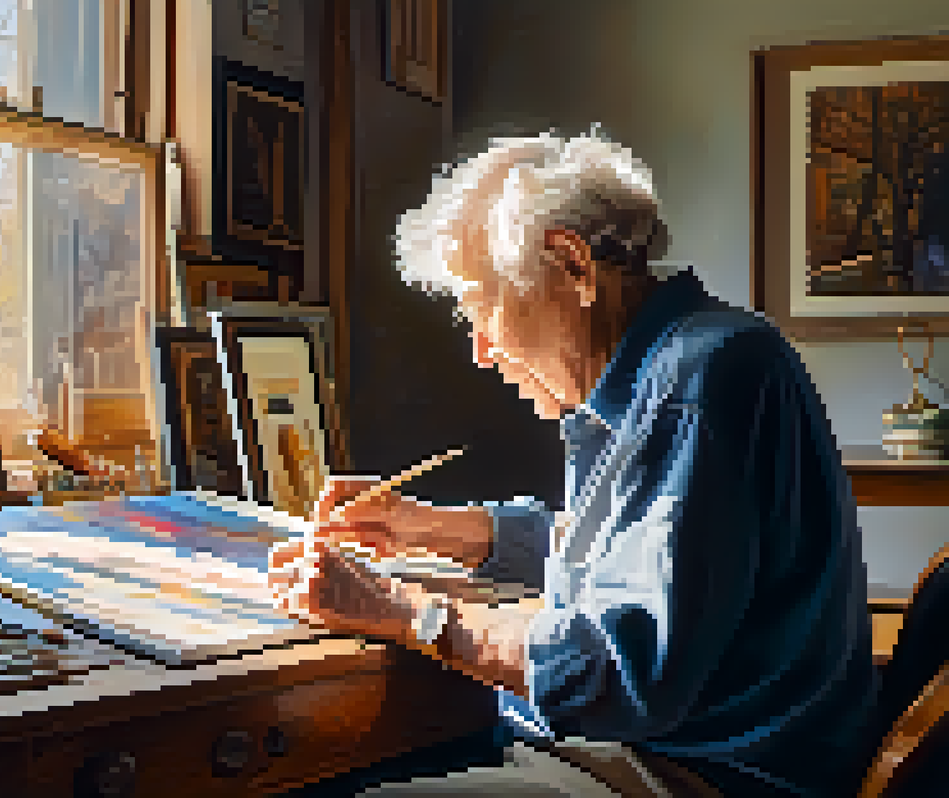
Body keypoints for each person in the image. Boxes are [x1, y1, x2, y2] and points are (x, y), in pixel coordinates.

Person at [271, 130, 877, 797]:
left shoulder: (693, 382)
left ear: (572, 265)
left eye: (480, 306)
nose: (480, 350)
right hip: (668, 746)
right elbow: (629, 562)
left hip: (707, 771)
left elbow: (620, 673)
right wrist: (433, 527)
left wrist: (405, 610)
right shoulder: (674, 361)